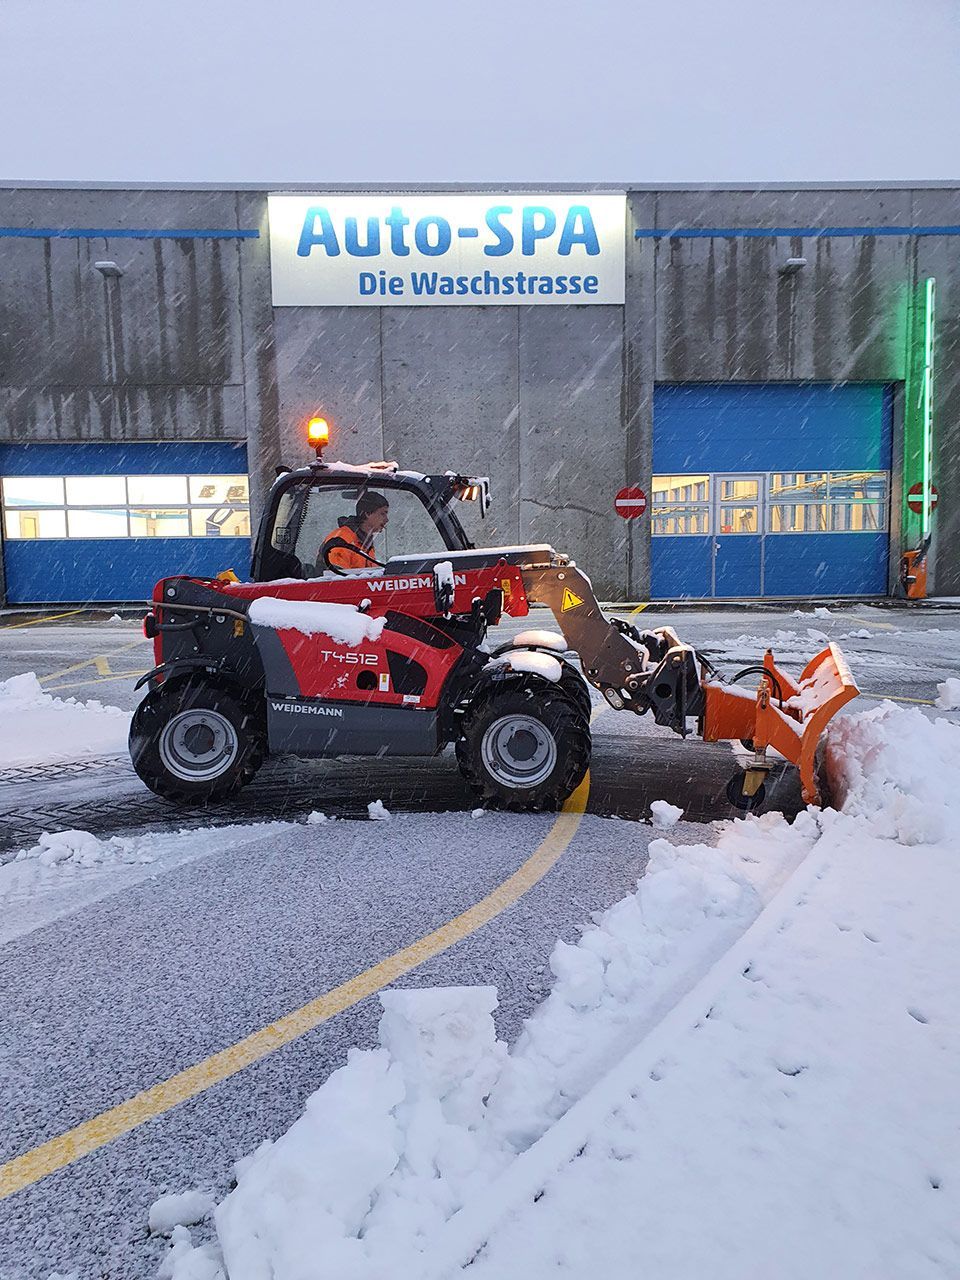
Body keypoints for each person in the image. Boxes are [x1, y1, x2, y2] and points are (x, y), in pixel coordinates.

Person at [320, 491, 389, 571]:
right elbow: (338, 579)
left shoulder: (365, 542)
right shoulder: (341, 542)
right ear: (368, 514)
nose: (386, 520)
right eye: (382, 514)